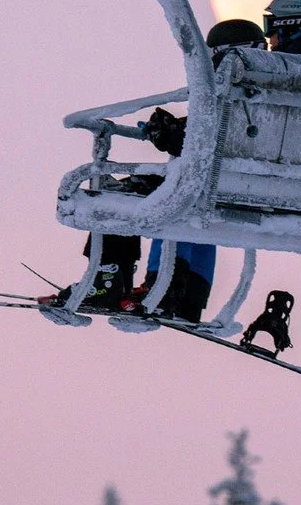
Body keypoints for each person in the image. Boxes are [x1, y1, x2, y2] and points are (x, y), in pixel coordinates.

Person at [40, 19, 268, 322]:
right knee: (193, 201)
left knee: (129, 192)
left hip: (208, 183)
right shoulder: (274, 94)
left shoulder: (235, 93)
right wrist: (175, 131)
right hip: (250, 188)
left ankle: (109, 279)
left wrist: (168, 133)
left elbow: (203, 141)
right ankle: (188, 296)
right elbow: (231, 137)